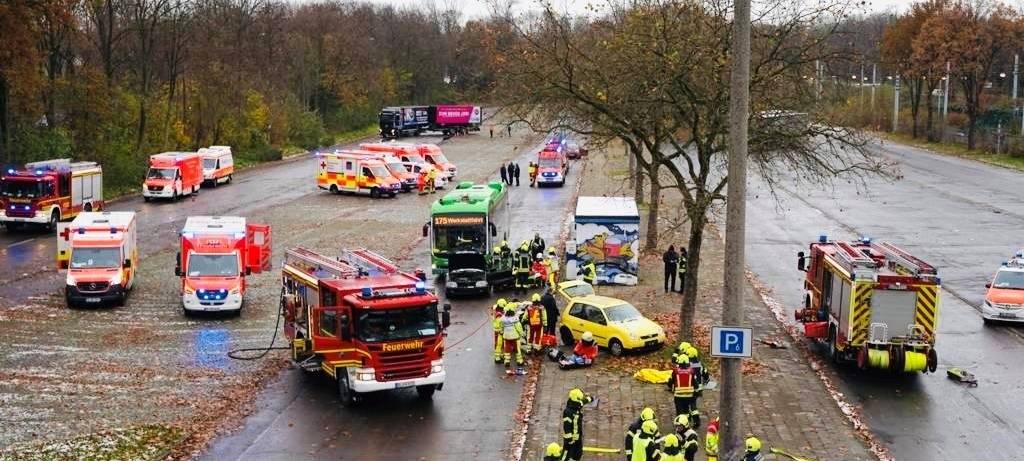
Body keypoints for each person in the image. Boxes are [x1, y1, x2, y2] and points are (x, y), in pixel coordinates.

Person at [562, 388, 593, 461]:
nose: (581, 402)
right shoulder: (568, 412)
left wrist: (590, 399)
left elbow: (583, 401)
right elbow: (567, 427)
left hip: (578, 436)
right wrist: (569, 440)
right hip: (571, 439)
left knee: (578, 453)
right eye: (580, 399)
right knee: (566, 455)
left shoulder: (577, 404)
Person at [668, 353, 697, 418]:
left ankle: (681, 422)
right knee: (686, 409)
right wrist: (696, 392)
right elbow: (695, 382)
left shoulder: (675, 371)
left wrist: (670, 387)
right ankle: (687, 419)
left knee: (679, 411)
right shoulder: (691, 371)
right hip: (689, 395)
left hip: (678, 395)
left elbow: (670, 381)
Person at [492, 299, 508, 363]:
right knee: (499, 344)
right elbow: (499, 324)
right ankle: (497, 358)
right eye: (503, 308)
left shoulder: (498, 311)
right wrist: (501, 331)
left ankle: (499, 356)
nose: (503, 309)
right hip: (499, 331)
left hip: (498, 331)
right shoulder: (499, 314)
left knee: (500, 344)